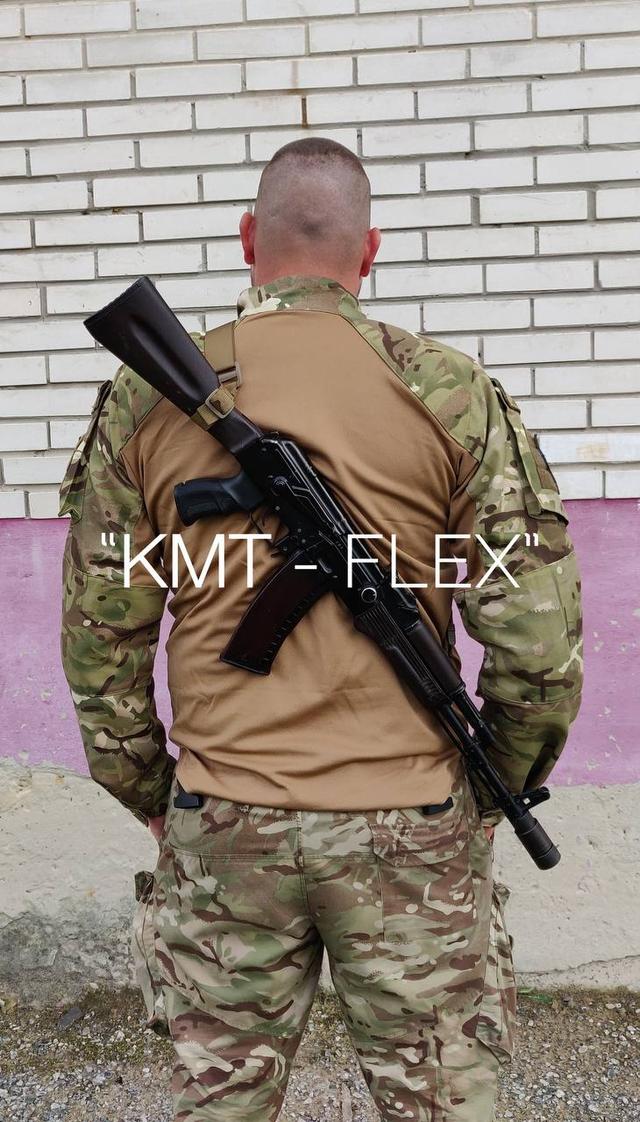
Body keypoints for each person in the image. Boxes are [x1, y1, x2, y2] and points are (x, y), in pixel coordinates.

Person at [60, 137, 583, 1122]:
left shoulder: (142, 401)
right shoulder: (449, 391)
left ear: (247, 238)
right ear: (369, 249)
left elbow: (100, 639)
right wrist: (488, 787)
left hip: (221, 819)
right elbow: (539, 647)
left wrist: (153, 792)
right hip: (411, 827)